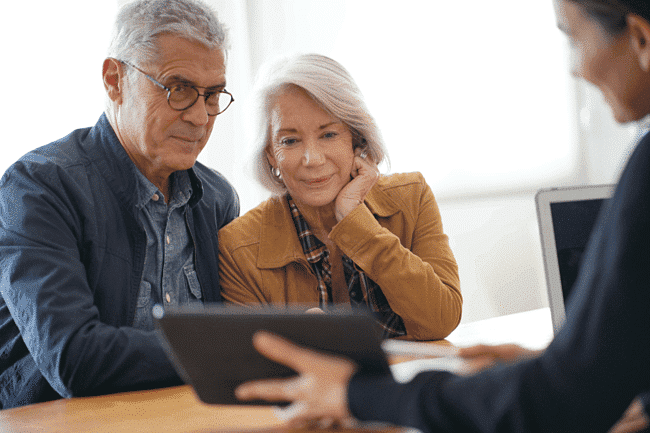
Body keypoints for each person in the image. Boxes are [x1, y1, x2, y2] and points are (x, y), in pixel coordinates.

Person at [234, 1, 650, 432]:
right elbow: (591, 374)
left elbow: (555, 396)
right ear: (269, 154)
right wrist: (551, 364)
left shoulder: (645, 167)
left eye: (573, 38)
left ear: (640, 38)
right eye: (289, 140)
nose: (575, 69)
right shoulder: (241, 242)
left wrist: (359, 394)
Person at [0, 0, 239, 409]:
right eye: (178, 89)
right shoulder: (36, 188)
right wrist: (235, 348)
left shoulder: (216, 198)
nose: (200, 117)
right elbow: (74, 359)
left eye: (212, 95)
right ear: (115, 79)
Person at [218, 54, 462, 340]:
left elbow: (441, 320)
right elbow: (252, 367)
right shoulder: (238, 247)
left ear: (356, 139)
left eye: (329, 135)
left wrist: (357, 224)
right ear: (271, 154)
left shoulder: (411, 196)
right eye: (290, 141)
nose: (312, 159)